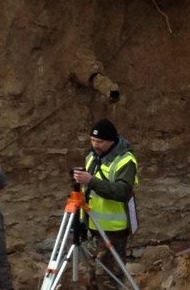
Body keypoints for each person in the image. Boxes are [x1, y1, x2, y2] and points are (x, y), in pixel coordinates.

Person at [73, 118, 139, 289]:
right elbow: (88, 192)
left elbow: (122, 191)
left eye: (100, 141)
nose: (95, 144)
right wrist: (80, 221)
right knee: (92, 279)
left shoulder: (125, 160)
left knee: (108, 281)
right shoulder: (92, 156)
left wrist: (91, 181)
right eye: (93, 140)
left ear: (111, 140)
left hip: (113, 231)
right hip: (93, 227)